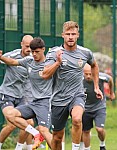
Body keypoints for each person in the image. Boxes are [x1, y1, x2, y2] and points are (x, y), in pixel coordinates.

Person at [42, 21, 103, 150]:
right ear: (63, 35)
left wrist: (96, 87)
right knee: (57, 137)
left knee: (76, 119)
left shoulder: (85, 53)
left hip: (77, 95)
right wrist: (57, 63)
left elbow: (94, 65)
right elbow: (45, 74)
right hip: (58, 99)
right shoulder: (54, 53)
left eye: (73, 34)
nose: (70, 37)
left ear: (78, 35)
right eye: (68, 34)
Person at [0, 37, 53, 149]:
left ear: (43, 50)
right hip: (33, 102)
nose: (34, 54)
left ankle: (37, 137)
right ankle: (35, 135)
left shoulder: (49, 63)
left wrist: (59, 62)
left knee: (44, 130)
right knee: (11, 115)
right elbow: (12, 62)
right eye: (32, 52)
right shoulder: (29, 61)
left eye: (37, 52)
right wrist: (1, 57)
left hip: (46, 103)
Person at [81, 64, 115, 150]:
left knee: (99, 129)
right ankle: (87, 148)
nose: (88, 76)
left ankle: (102, 145)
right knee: (86, 131)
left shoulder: (101, 77)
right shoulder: (79, 79)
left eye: (90, 74)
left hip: (99, 107)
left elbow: (110, 79)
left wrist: (111, 93)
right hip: (85, 108)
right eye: (86, 74)